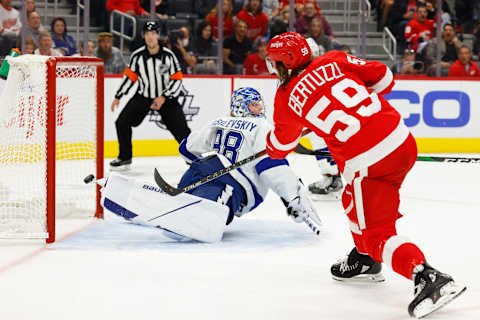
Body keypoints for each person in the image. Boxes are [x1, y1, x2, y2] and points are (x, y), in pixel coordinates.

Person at [264, 32, 466, 319]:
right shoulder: (333, 59)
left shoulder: (285, 98)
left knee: (377, 234)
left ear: (283, 64)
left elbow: (280, 146)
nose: (273, 69)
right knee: (352, 199)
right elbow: (384, 78)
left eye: (273, 63)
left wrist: (274, 143)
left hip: (368, 162)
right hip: (401, 140)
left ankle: (426, 276)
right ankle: (365, 260)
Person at [100, 87, 321, 242]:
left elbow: (186, 147)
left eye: (258, 104)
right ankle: (189, 213)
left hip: (200, 170)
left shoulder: (218, 121)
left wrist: (200, 166)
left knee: (190, 197)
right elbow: (270, 165)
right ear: (242, 106)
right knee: (210, 208)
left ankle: (172, 203)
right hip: (232, 184)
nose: (258, 109)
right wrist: (293, 196)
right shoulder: (262, 126)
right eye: (253, 105)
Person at [110, 21, 191, 170]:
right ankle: (125, 157)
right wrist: (118, 96)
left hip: (166, 98)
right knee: (121, 122)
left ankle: (193, 158)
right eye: (147, 34)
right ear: (143, 36)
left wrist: (164, 96)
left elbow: (177, 79)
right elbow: (130, 78)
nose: (150, 37)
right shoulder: (138, 56)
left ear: (158, 36)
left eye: (153, 34)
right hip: (144, 96)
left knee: (182, 130)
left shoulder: (168, 56)